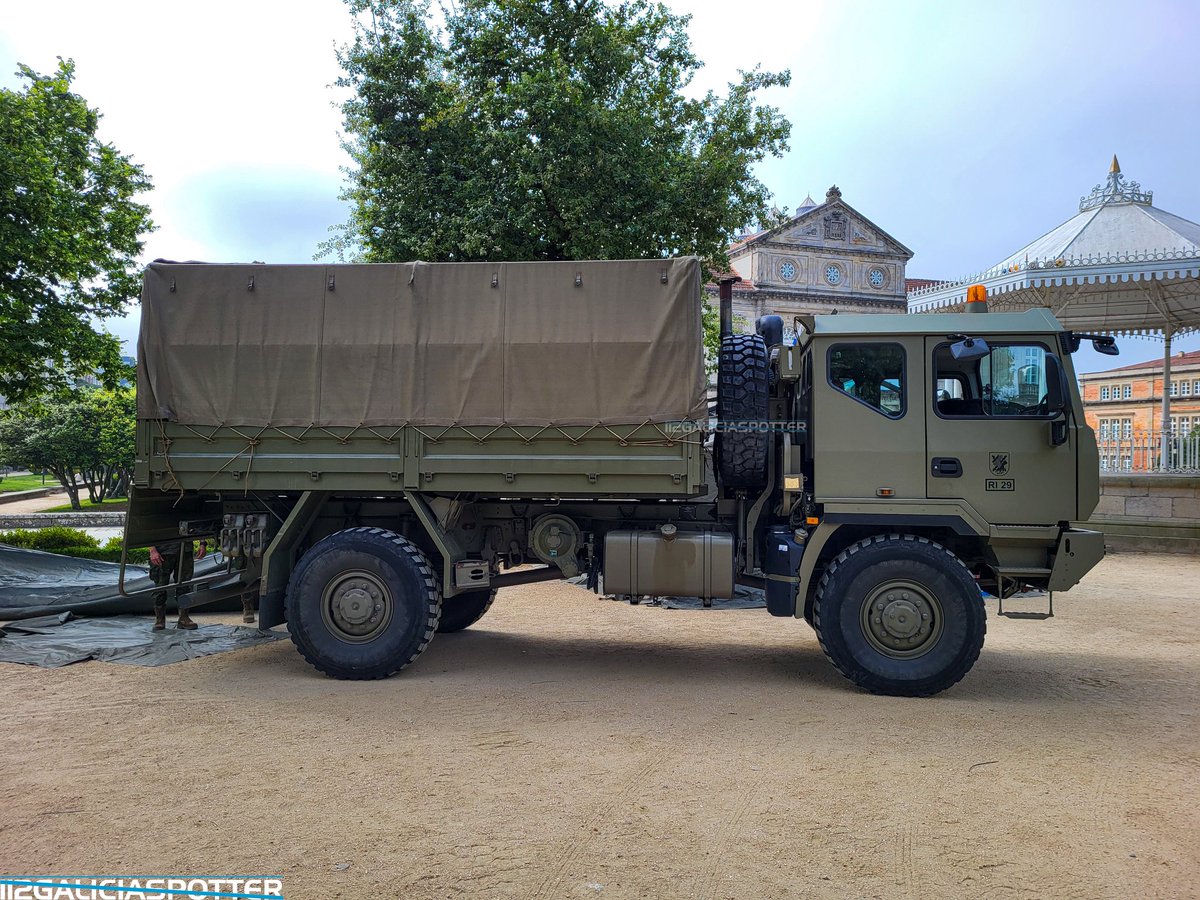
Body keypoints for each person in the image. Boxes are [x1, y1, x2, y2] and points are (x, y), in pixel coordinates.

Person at [149, 539, 207, 631]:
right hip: (163, 551)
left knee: (185, 585)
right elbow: (147, 530)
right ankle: (160, 620)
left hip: (184, 550)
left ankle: (184, 618)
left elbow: (198, 526)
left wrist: (202, 543)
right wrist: (152, 550)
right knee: (160, 587)